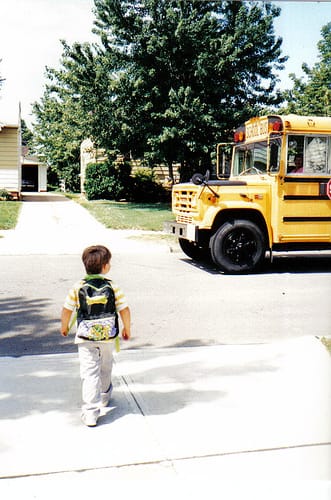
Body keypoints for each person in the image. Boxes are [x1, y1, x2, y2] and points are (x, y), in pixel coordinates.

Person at [61, 245, 131, 427]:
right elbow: (124, 309)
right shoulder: (113, 286)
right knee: (106, 367)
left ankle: (90, 412)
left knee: (89, 373)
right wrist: (127, 328)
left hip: (86, 338)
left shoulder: (78, 287)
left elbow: (67, 309)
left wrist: (64, 327)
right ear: (106, 267)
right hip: (108, 337)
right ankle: (105, 396)